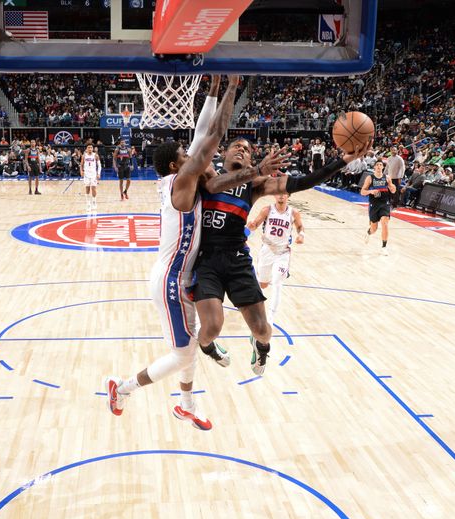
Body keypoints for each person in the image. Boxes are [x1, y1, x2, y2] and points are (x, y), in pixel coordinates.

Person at [105, 76, 290, 430]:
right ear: (178, 166)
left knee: (189, 342)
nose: (191, 154)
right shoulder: (184, 181)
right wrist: (231, 90)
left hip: (183, 275)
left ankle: (187, 404)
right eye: (185, 155)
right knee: (184, 352)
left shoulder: (181, 175)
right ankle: (123, 389)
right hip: (170, 279)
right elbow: (212, 135)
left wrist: (213, 89)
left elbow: (202, 130)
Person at [193, 136, 371, 377]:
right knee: (211, 327)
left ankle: (261, 346)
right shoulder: (208, 176)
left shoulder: (254, 184)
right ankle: (207, 347)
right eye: (236, 146)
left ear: (250, 161)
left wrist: (342, 161)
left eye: (246, 149)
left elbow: (301, 182)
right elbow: (201, 141)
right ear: (224, 153)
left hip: (237, 259)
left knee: (263, 330)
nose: (241, 150)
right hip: (207, 260)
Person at [246, 193, 304, 326]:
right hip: (267, 250)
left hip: (283, 252)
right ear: (274, 196)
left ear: (288, 196)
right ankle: (253, 302)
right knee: (263, 284)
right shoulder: (267, 210)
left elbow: (300, 226)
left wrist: (301, 235)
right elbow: (255, 224)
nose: (281, 196)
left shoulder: (293, 213)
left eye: (284, 194)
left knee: (278, 282)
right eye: (278, 194)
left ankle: (270, 317)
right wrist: (250, 228)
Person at [361, 160, 397, 255]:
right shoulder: (370, 178)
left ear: (383, 167)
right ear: (374, 167)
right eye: (377, 165)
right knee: (374, 229)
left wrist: (393, 187)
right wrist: (370, 192)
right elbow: (362, 192)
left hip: (385, 203)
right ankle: (369, 233)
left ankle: (384, 247)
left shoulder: (387, 178)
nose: (379, 166)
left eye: (380, 165)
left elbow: (393, 190)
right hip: (374, 204)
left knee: (385, 223)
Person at [81, 143, 101, 212]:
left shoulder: (95, 155)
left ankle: (94, 202)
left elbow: (99, 165)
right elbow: (81, 165)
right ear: (86, 149)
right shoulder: (84, 156)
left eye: (91, 147)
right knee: (87, 189)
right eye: (88, 147)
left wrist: (98, 173)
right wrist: (81, 171)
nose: (90, 149)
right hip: (86, 174)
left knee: (94, 188)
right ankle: (88, 204)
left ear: (92, 148)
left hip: (93, 174)